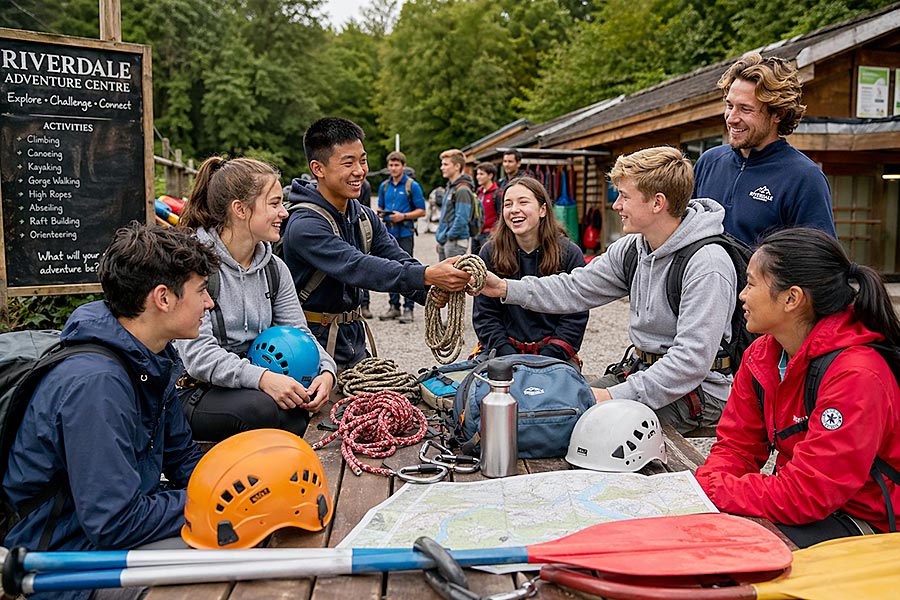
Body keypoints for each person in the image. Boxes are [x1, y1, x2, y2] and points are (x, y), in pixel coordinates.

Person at [3, 224, 216, 599]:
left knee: (249, 531)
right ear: (163, 298)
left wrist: (236, 481)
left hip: (111, 533)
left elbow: (183, 459)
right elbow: (114, 521)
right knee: (229, 559)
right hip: (66, 559)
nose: (209, 303)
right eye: (201, 291)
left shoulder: (152, 355)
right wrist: (220, 500)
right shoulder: (96, 385)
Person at [478, 146, 736, 433]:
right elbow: (575, 288)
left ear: (657, 203)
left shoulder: (707, 264)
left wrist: (612, 396)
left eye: (624, 196)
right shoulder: (632, 248)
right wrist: (504, 287)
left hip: (698, 391)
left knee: (575, 423)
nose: (616, 205)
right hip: (643, 373)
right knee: (552, 407)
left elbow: (690, 363)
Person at [695, 228, 900, 547]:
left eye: (750, 283)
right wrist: (712, 482)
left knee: (730, 550)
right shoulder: (761, 355)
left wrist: (714, 489)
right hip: (810, 509)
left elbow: (809, 494)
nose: (742, 295)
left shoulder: (857, 374)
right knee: (702, 532)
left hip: (869, 523)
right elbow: (737, 446)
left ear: (792, 298)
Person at [282, 117, 471, 370]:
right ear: (318, 169)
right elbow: (357, 266)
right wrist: (428, 275)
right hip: (310, 347)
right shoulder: (305, 224)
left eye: (363, 160)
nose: (360, 170)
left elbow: (397, 257)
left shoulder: (362, 215)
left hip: (354, 341)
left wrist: (431, 291)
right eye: (348, 163)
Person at [176, 156, 337, 442]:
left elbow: (300, 333)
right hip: (196, 388)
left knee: (298, 405)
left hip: (255, 386)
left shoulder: (275, 268)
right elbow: (197, 356)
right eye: (274, 204)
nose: (284, 213)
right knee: (264, 410)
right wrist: (263, 379)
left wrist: (326, 373)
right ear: (240, 209)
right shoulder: (193, 263)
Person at [693, 53, 835, 246]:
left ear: (778, 114)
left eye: (745, 109)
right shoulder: (709, 162)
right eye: (729, 105)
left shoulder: (805, 178)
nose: (732, 118)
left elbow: (817, 263)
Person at [473, 176, 588, 366]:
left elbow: (576, 315)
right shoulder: (490, 252)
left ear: (543, 210)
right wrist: (507, 355)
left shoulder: (569, 253)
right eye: (507, 204)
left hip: (555, 354)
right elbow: (485, 315)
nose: (514, 209)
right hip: (502, 351)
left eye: (523, 202)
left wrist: (549, 356)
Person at [377, 151, 426, 323]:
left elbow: (422, 210)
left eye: (396, 165)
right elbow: (380, 207)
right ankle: (394, 306)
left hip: (405, 232)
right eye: (391, 165)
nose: (393, 168)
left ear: (403, 166)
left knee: (407, 268)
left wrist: (403, 216)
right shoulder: (384, 186)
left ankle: (408, 308)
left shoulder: (412, 186)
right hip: (388, 233)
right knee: (390, 268)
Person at [434, 148, 476, 260]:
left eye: (445, 164)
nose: (442, 167)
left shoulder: (462, 190)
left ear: (457, 166)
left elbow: (462, 218)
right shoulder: (450, 187)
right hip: (446, 241)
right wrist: (441, 239)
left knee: (453, 277)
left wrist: (448, 237)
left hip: (455, 242)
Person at [471, 161, 503, 256]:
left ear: (490, 175)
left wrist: (495, 232)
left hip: (489, 234)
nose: (478, 177)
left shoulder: (497, 194)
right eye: (477, 174)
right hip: (476, 233)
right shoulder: (478, 192)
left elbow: (500, 215)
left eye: (481, 174)